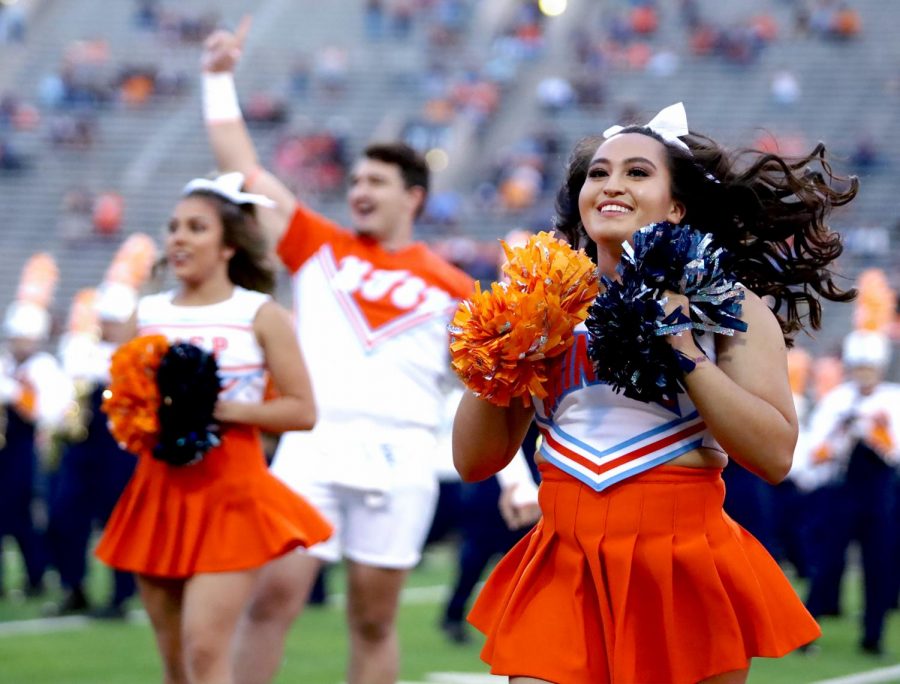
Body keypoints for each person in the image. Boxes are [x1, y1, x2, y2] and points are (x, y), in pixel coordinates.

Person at [452, 102, 858, 684]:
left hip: (681, 559)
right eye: (599, 173)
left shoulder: (729, 307)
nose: (612, 184)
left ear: (676, 205)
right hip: (564, 557)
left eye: (637, 172)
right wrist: (504, 347)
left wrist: (681, 347)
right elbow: (474, 460)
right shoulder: (544, 311)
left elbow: (773, 456)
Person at [201, 21, 474, 684]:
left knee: (375, 620)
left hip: (401, 453)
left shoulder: (458, 288)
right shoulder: (318, 243)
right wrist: (216, 78)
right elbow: (246, 170)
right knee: (271, 599)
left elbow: (481, 385)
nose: (359, 190)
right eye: (354, 179)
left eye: (375, 181)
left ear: (412, 196)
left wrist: (517, 480)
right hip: (315, 445)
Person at [94, 174, 332, 684]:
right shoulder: (148, 314)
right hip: (159, 492)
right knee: (176, 665)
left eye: (196, 228)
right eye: (174, 227)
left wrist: (217, 409)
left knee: (205, 652)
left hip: (231, 494)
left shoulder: (258, 314)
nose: (178, 237)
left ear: (227, 245)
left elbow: (302, 411)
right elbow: (128, 404)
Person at [802, 329, 899, 656]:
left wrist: (877, 431)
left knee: (879, 564)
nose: (864, 376)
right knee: (827, 561)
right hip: (842, 491)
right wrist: (841, 434)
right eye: (859, 368)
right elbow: (815, 451)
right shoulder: (839, 399)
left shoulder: (893, 399)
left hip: (880, 495)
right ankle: (806, 630)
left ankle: (873, 635)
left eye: (869, 368)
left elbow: (895, 453)